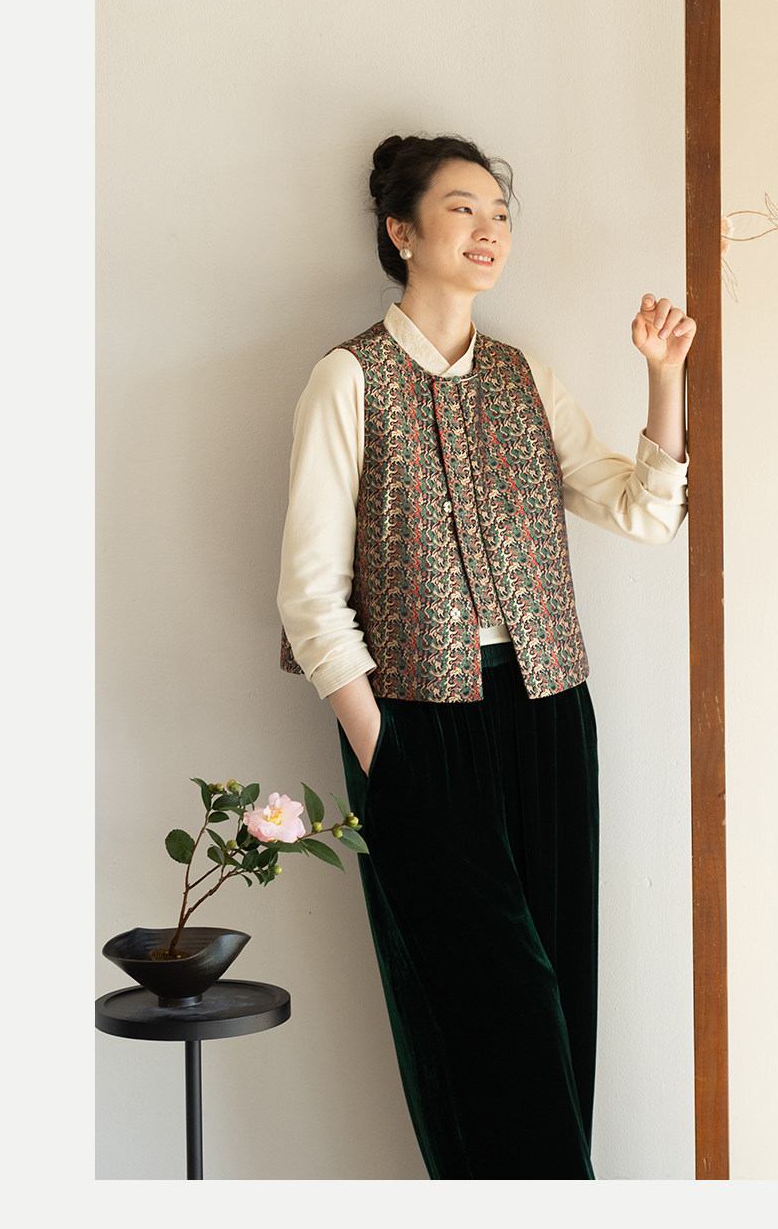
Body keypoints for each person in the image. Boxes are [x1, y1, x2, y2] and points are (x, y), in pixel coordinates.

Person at [276, 132, 695, 1179]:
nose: (489, 228)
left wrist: (664, 378)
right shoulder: (347, 379)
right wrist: (385, 751)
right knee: (479, 1006)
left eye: (499, 211)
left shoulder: (523, 375)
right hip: (417, 723)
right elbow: (309, 594)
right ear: (402, 230)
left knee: (558, 992)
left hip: (550, 710)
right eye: (463, 208)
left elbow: (643, 513)